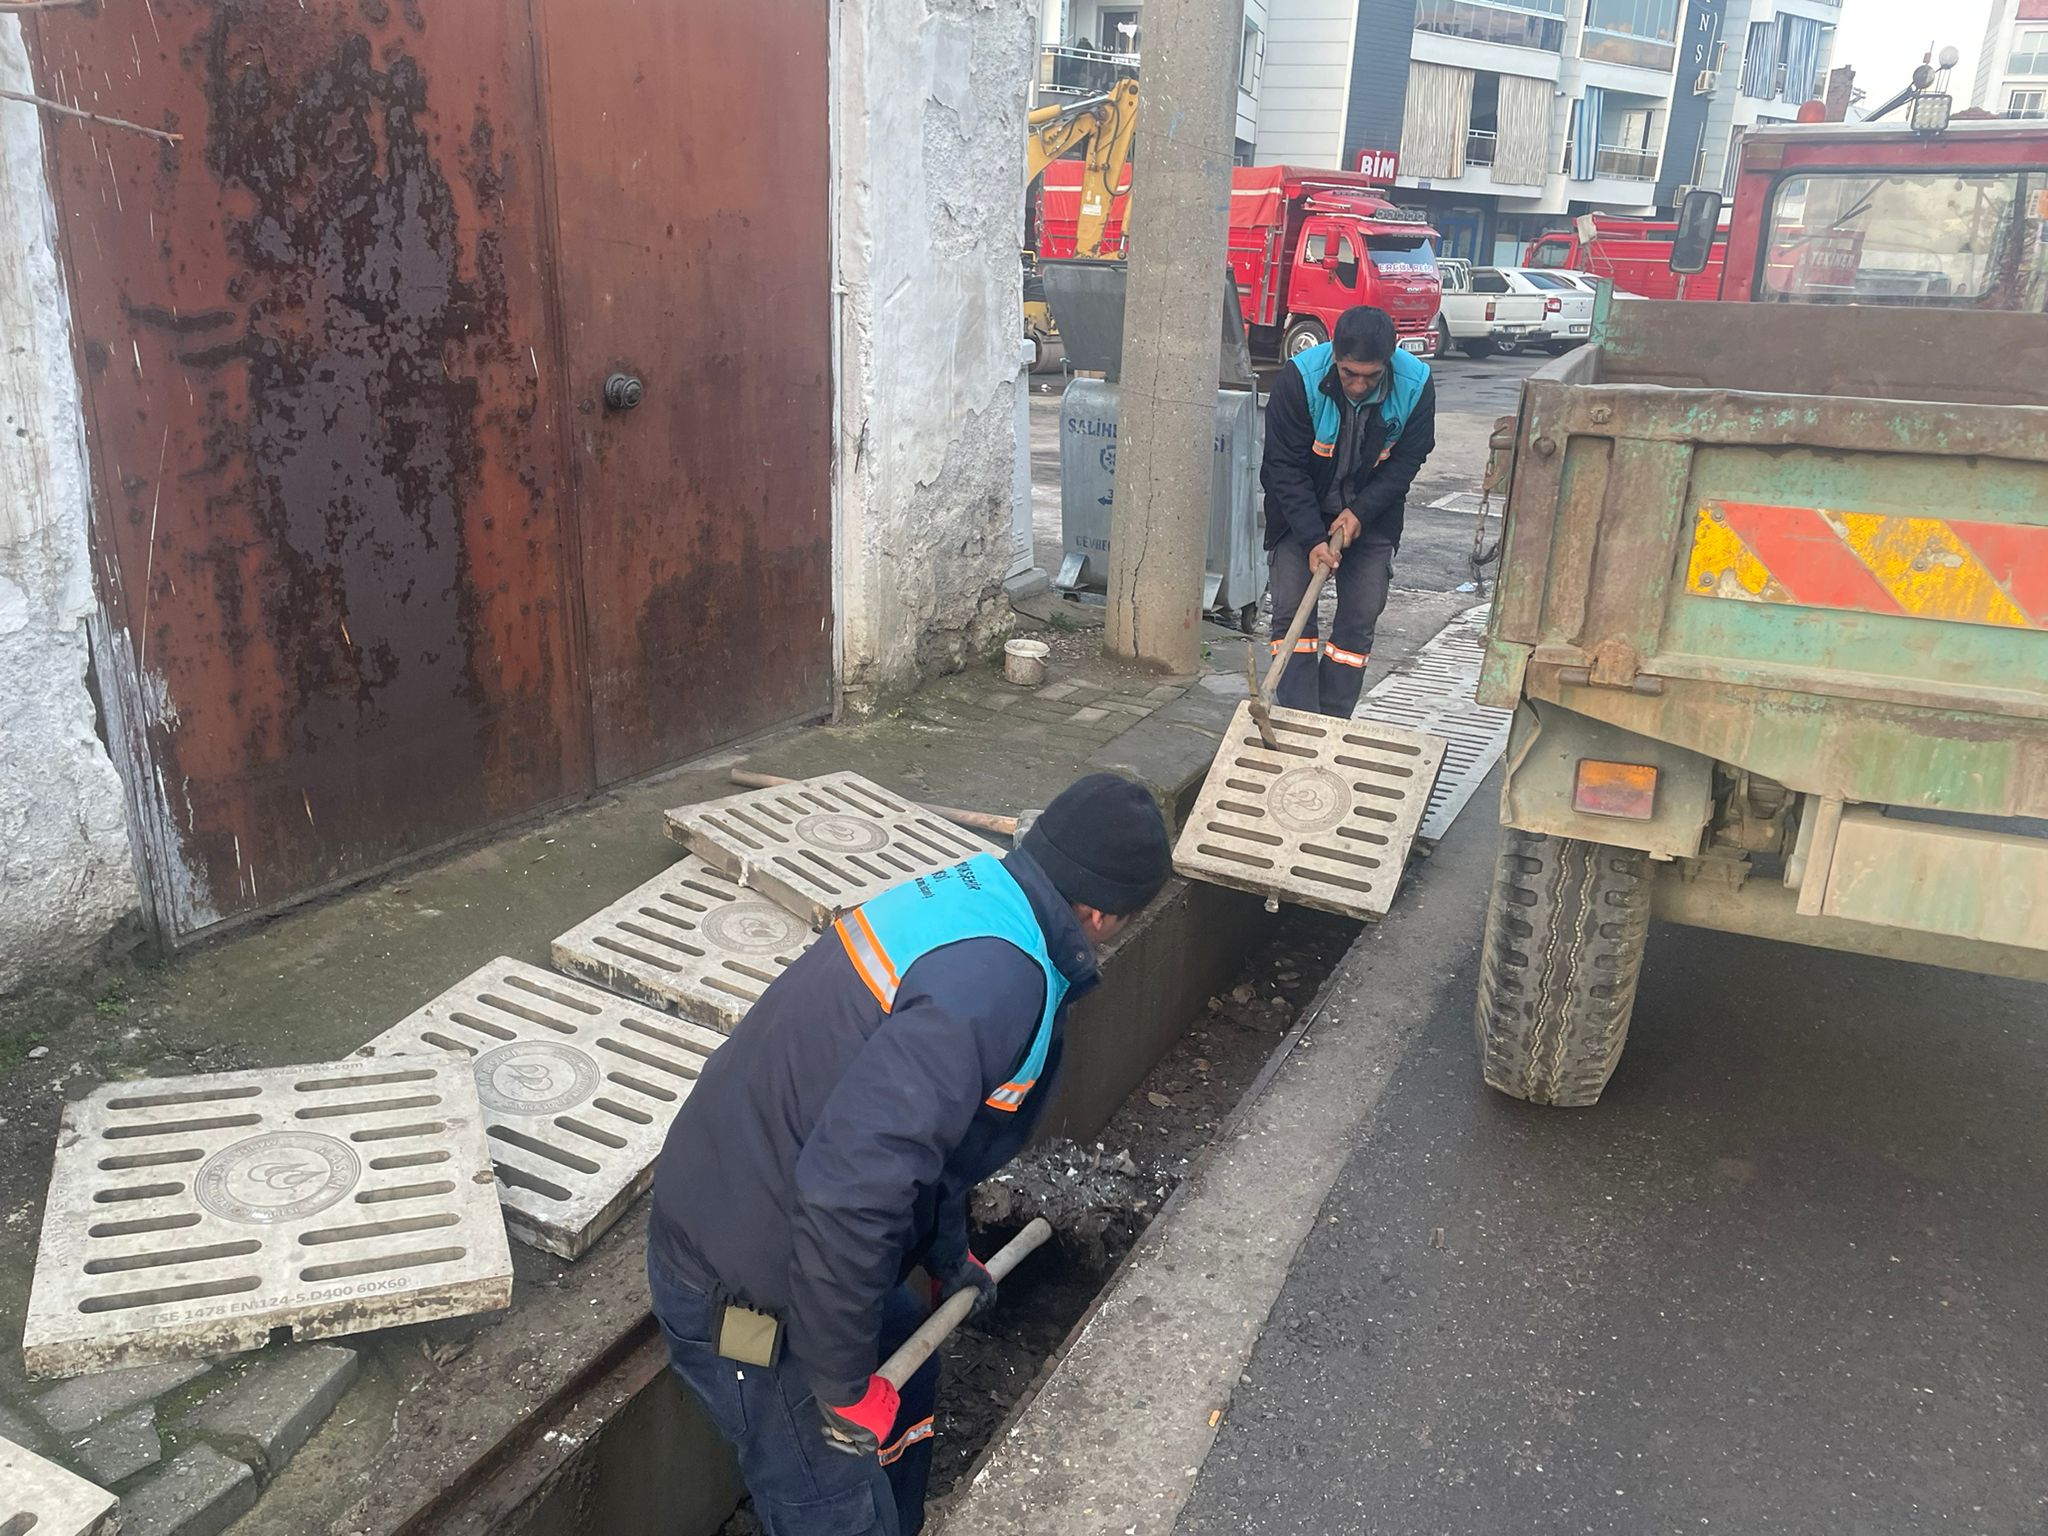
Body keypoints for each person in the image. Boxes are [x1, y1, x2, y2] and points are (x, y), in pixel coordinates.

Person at [645, 773, 1173, 1536]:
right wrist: (838, 1380)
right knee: (831, 1502)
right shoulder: (998, 982)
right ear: (1100, 915)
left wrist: (948, 1255)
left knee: (907, 1357)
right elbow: (852, 1187)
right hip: (742, 1294)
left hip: (773, 1216)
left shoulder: (988, 897)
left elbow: (931, 1149)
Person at [1260, 304, 1437, 718]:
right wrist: (1312, 538)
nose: (1358, 386)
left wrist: (1360, 512)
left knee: (1359, 618)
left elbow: (1408, 461)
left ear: (1389, 362)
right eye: (1348, 374)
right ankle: (1299, 719)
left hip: (1372, 514)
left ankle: (1333, 719)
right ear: (1334, 356)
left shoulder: (1416, 384)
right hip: (1300, 513)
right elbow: (1283, 467)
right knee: (1291, 613)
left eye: (1371, 377)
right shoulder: (1299, 378)